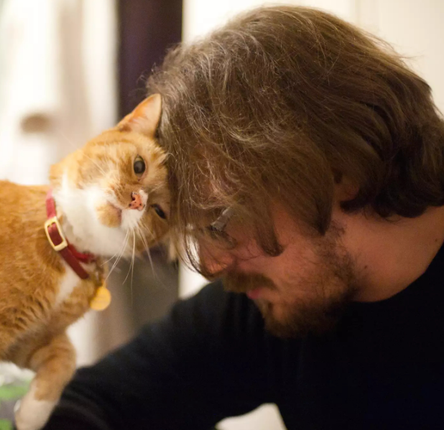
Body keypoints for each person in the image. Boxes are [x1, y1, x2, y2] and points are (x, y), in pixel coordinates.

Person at [40, 5, 444, 430]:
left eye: (219, 220)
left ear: (340, 172)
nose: (212, 265)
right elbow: (92, 402)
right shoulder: (271, 301)